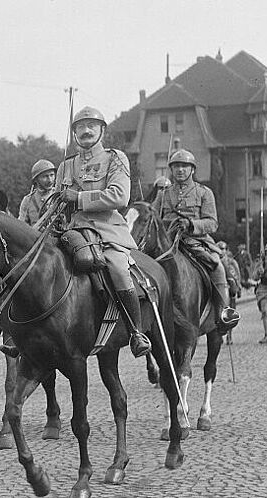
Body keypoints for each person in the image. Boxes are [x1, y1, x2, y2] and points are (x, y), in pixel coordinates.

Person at [54, 106, 151, 357]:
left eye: (91, 126)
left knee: (118, 267)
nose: (85, 131)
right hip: (72, 231)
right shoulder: (65, 166)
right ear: (74, 133)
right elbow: (57, 204)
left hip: (106, 231)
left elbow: (120, 196)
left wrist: (79, 197)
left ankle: (135, 332)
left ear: (102, 130)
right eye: (80, 127)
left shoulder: (115, 158)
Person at [152, 149, 240, 328]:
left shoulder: (204, 193)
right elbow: (153, 218)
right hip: (168, 243)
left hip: (195, 242)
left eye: (184, 166)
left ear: (192, 169)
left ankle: (223, 313)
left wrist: (191, 224)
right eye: (176, 166)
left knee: (217, 267)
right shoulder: (164, 194)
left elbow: (212, 223)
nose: (180, 170)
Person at [17, 159, 57, 226]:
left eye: (52, 175)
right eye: (45, 176)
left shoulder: (59, 196)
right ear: (36, 179)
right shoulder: (28, 200)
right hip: (34, 235)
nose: (50, 180)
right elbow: (22, 226)